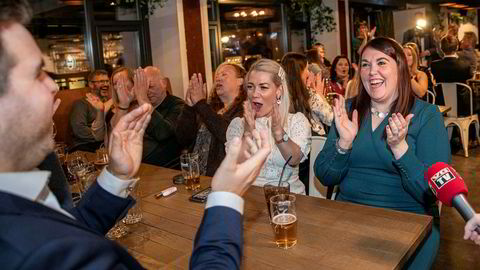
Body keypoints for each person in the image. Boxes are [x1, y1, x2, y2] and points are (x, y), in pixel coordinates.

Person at [0, 3, 271, 269]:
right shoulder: (34, 250)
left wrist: (115, 177)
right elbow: (61, 247)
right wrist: (225, 197)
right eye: (37, 74)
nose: (53, 85)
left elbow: (67, 231)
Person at [315, 37, 451, 269]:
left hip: (408, 227)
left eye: (381, 62)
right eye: (365, 64)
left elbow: (431, 193)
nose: (371, 72)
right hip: (347, 220)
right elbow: (325, 175)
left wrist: (401, 149)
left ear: (400, 68)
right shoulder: (349, 109)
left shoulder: (426, 115)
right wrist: (344, 144)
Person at [226, 59, 311, 194]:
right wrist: (248, 132)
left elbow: (294, 159)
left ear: (278, 91)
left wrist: (278, 133)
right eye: (250, 87)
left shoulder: (296, 121)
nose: (254, 94)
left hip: (287, 199)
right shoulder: (238, 124)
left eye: (263, 87)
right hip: (247, 199)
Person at [176, 63, 246, 176]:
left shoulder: (244, 110)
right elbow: (183, 139)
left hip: (221, 179)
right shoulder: (210, 108)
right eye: (217, 76)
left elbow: (228, 135)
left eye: (224, 74)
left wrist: (200, 103)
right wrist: (189, 107)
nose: (218, 78)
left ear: (240, 81)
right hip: (194, 176)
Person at [281, 52, 333, 136]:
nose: (309, 73)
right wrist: (320, 96)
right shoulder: (309, 94)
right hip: (314, 142)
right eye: (307, 69)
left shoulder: (279, 95)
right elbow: (331, 118)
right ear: (299, 72)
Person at [69, 69, 112, 152]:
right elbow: (79, 130)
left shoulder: (109, 103)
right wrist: (103, 135)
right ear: (91, 84)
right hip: (84, 146)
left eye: (107, 81)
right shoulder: (81, 104)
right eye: (101, 82)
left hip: (105, 144)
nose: (106, 84)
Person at [431, 35, 474, 115]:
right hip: (462, 106)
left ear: (441, 48)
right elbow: (470, 76)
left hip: (442, 104)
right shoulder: (465, 65)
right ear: (457, 47)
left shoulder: (435, 65)